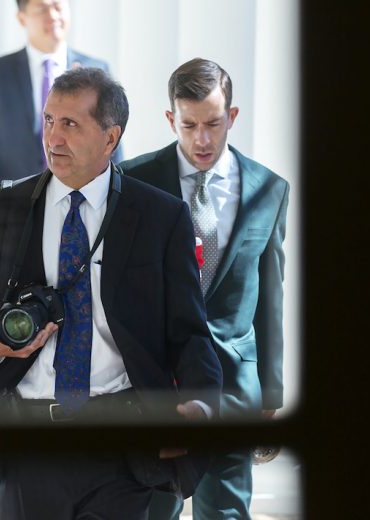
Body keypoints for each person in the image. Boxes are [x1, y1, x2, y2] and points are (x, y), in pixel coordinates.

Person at [0, 67, 223, 520]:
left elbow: (189, 332)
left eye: (71, 124)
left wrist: (202, 407)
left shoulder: (160, 218)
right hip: (22, 442)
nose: (54, 137)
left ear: (111, 139)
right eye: (49, 121)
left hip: (123, 446)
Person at [119, 58, 289, 520]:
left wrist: (270, 393)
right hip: (158, 382)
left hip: (235, 384)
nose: (202, 140)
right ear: (171, 119)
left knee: (228, 512)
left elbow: (269, 298)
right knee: (154, 510)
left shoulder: (268, 190)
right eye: (189, 124)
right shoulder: (133, 182)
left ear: (231, 117)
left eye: (214, 124)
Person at [0, 0, 123, 197]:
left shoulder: (97, 71)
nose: (53, 15)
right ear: (22, 18)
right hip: (14, 202)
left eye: (58, 6)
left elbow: (112, 143)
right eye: (42, 9)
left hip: (81, 201)